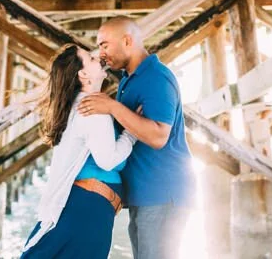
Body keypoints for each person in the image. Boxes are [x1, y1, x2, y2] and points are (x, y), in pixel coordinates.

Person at [79, 16, 195, 259]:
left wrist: (113, 107)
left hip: (163, 193)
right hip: (145, 194)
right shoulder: (128, 80)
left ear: (127, 41)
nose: (101, 53)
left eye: (104, 45)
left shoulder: (156, 78)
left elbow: (158, 136)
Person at [21, 44, 138, 259]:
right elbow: (108, 161)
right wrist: (132, 132)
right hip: (88, 209)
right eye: (91, 59)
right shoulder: (92, 109)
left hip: (85, 205)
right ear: (83, 74)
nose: (99, 57)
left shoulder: (80, 105)